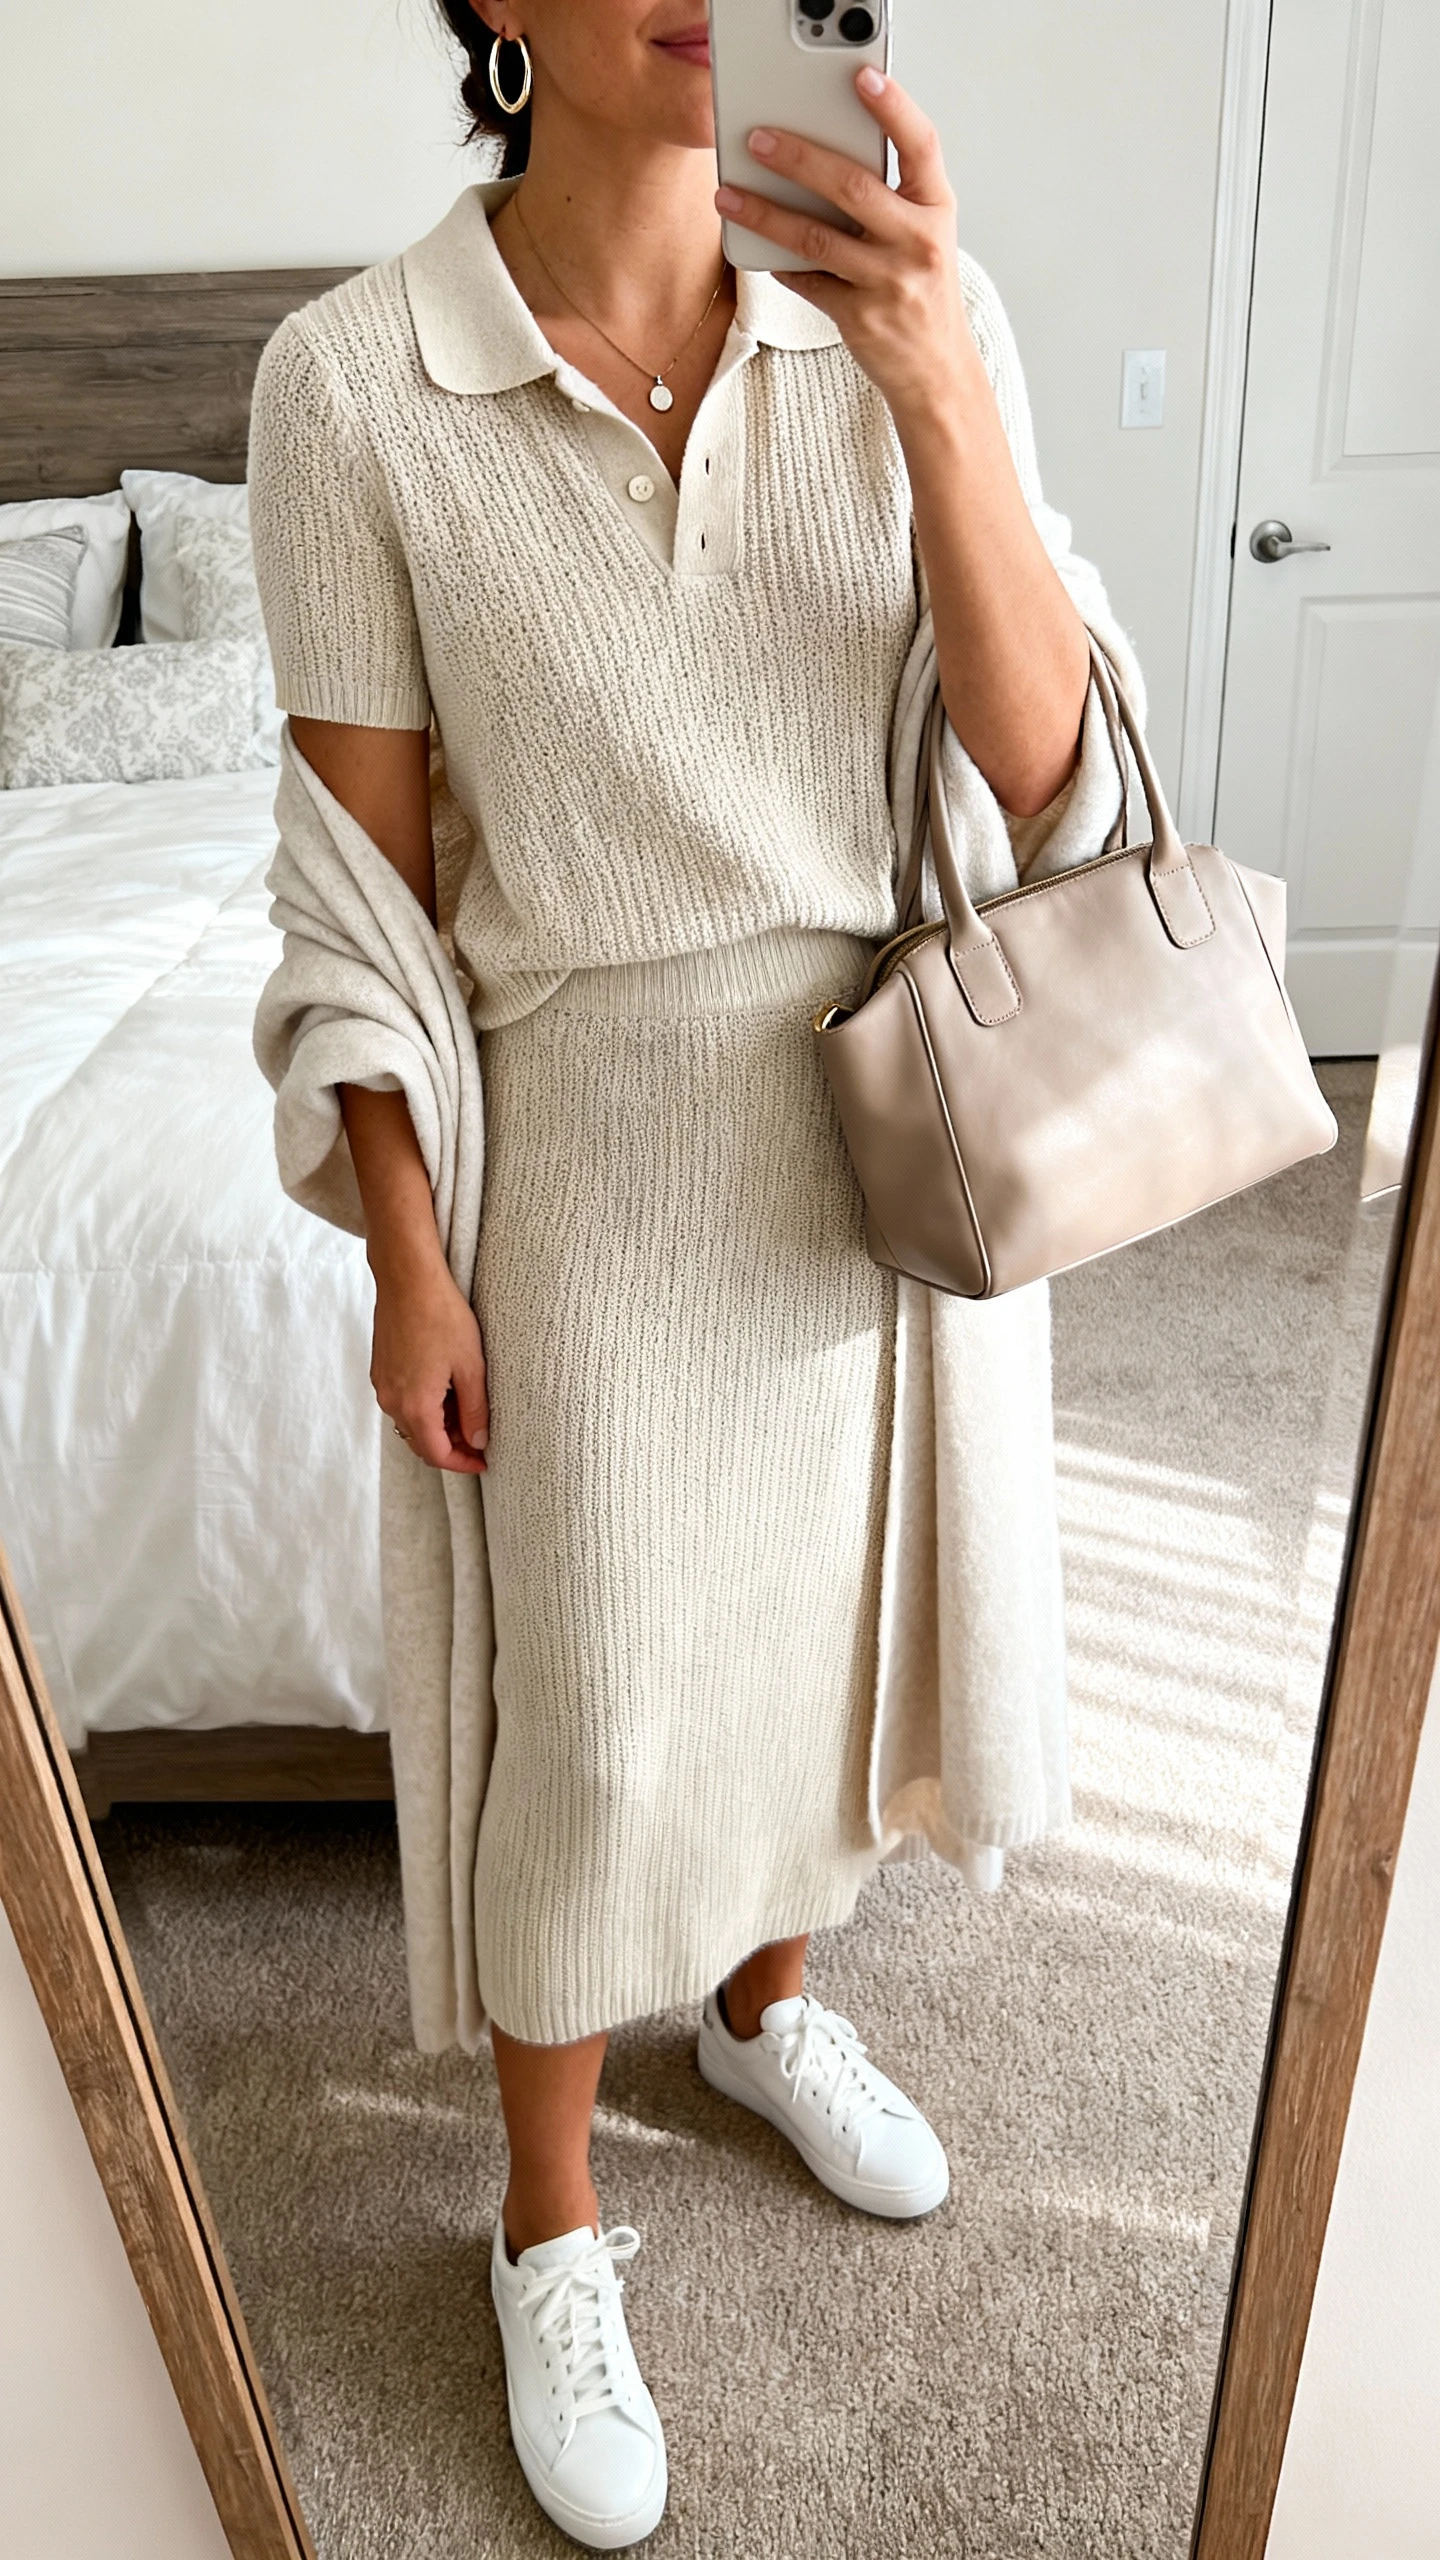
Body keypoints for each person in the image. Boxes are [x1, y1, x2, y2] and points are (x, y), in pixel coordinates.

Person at [249, 3, 1093, 2543]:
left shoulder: (916, 307)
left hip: (897, 1102)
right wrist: (409, 1251)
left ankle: (761, 2004)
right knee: (598, 1714)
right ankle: (547, 2217)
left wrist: (937, 390)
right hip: (599, 1136)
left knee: (828, 1649)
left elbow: (1048, 770)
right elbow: (359, 898)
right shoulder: (352, 383)